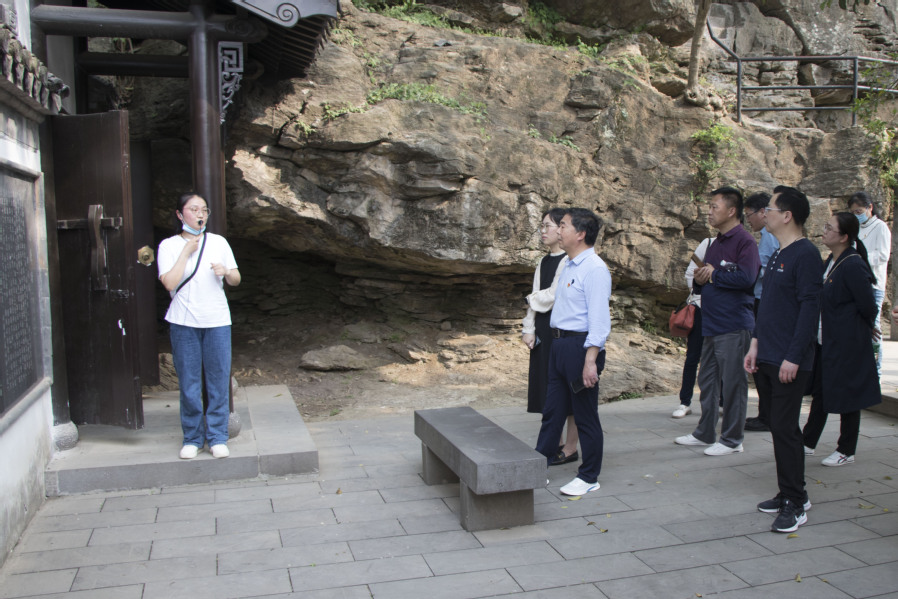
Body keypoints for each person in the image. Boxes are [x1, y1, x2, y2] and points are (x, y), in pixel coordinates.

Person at [745, 185, 822, 533]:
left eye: (772, 209)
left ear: (787, 216)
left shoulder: (806, 254)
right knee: (779, 426)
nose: (766, 214)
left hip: (791, 359)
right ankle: (790, 492)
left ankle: (795, 500)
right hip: (770, 353)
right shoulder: (779, 252)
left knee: (785, 428)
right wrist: (756, 344)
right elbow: (769, 306)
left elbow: (809, 310)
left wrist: (794, 356)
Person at [675, 186, 759, 455]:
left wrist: (714, 275)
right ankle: (705, 432)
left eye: (714, 207)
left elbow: (747, 278)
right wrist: (702, 279)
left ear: (732, 211)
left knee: (733, 384)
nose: (709, 212)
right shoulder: (715, 243)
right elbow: (704, 279)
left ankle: (733, 440)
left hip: (733, 324)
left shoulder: (745, 242)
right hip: (710, 322)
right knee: (708, 380)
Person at [534, 208, 611, 497]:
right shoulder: (567, 264)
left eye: (563, 225)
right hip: (559, 345)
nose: (558, 230)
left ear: (580, 234)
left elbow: (599, 321)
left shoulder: (595, 269)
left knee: (585, 414)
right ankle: (537, 467)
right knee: (552, 411)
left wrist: (590, 361)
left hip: (580, 348)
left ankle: (589, 475)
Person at [158, 192, 241, 459]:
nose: (200, 214)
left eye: (204, 209)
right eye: (193, 209)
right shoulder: (168, 246)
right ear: (180, 214)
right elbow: (169, 283)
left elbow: (236, 278)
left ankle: (217, 437)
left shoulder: (218, 242)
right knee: (189, 383)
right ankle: (192, 438)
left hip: (217, 320)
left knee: (218, 380)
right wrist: (186, 252)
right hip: (183, 322)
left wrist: (226, 272)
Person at [802, 212, 881, 466]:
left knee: (849, 395)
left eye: (829, 228)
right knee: (821, 392)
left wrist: (866, 326)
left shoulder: (853, 264)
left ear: (844, 237)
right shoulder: (831, 260)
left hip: (847, 341)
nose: (824, 231)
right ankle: (807, 442)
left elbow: (867, 305)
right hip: (826, 340)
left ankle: (846, 449)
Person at [522, 208, 579, 465]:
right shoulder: (544, 262)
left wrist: (530, 300)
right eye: (542, 226)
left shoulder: (569, 261)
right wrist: (528, 328)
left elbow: (552, 296)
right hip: (544, 329)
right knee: (547, 387)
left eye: (549, 226)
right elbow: (537, 295)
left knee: (569, 390)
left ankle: (570, 447)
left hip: (563, 330)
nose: (543, 231)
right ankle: (554, 441)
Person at [847, 191, 891, 377]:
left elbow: (883, 255)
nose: (857, 215)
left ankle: (876, 371)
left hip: (874, 285)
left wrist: (860, 259)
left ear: (870, 207)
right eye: (853, 212)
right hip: (857, 283)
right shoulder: (856, 228)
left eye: (859, 211)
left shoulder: (880, 227)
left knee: (874, 327)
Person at [672, 236, 712, 418]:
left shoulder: (739, 245)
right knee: (692, 357)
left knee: (720, 358)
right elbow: (690, 274)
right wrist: (699, 293)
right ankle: (685, 402)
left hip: (724, 313)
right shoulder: (708, 243)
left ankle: (720, 401)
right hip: (701, 309)